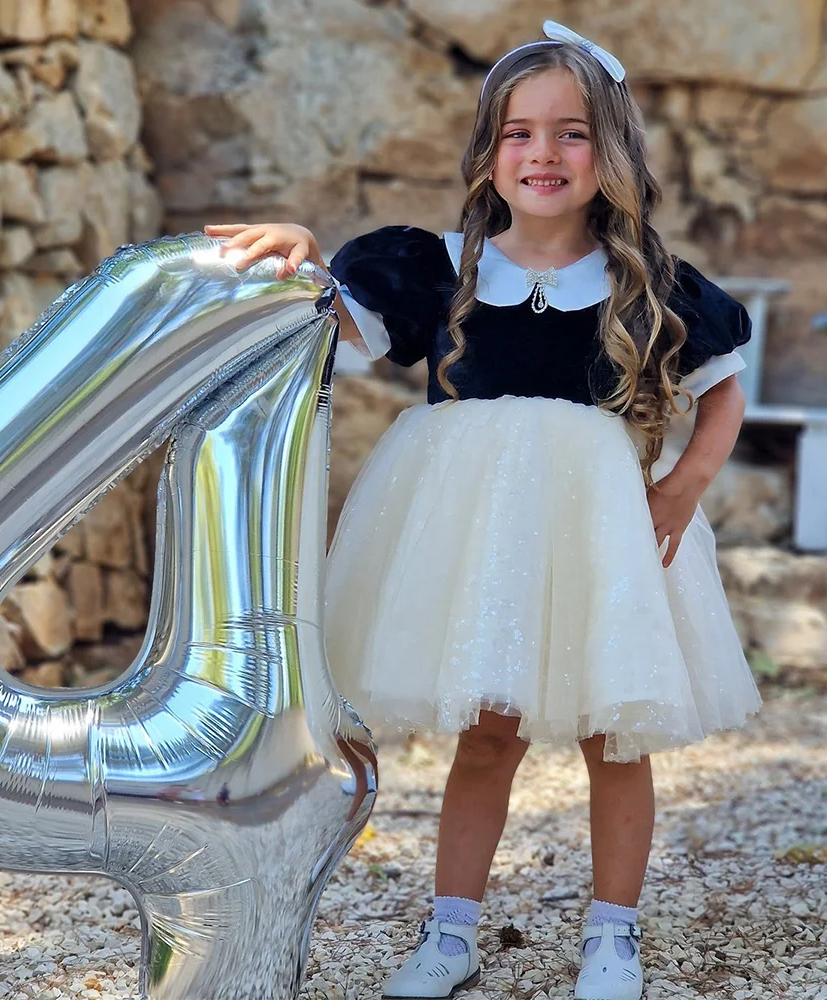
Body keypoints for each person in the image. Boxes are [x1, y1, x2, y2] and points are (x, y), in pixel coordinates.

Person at [205, 19, 762, 1000]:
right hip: (480, 535)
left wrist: (681, 487)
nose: (542, 152)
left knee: (611, 733)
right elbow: (339, 323)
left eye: (571, 131)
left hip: (600, 538)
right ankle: (450, 930)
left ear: (613, 151)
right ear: (488, 152)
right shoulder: (444, 268)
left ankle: (612, 936)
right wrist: (304, 257)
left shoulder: (646, 283)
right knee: (488, 734)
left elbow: (723, 385)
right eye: (518, 132)